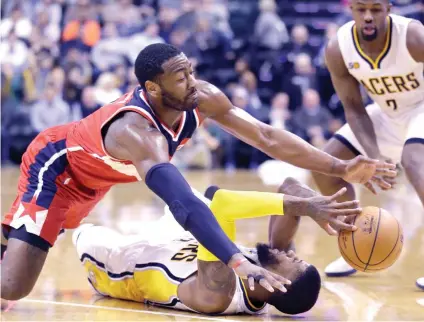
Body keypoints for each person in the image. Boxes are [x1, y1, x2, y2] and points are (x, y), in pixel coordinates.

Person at [1, 43, 396, 301]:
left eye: (190, 71)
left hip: (96, 180)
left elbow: (266, 136)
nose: (193, 83)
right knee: (12, 288)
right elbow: (185, 204)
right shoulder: (136, 132)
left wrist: (341, 166)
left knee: (16, 240)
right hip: (57, 168)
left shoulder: (200, 98)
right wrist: (237, 261)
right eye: (181, 77)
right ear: (154, 89)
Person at [73, 177, 351, 315]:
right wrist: (322, 208)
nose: (291, 253)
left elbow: (223, 205)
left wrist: (303, 207)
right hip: (182, 239)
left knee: (79, 229)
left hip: (129, 264)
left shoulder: (219, 291)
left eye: (295, 262)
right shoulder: (263, 268)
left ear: (277, 284)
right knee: (158, 169)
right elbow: (290, 186)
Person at [306, 0, 424, 288]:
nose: (368, 16)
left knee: (414, 160)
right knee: (325, 165)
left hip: (421, 107)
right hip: (386, 115)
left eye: (376, 8)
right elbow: (354, 108)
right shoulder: (338, 48)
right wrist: (374, 158)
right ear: (351, 10)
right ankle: (356, 242)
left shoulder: (413, 36)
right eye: (361, 9)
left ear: (389, 8)